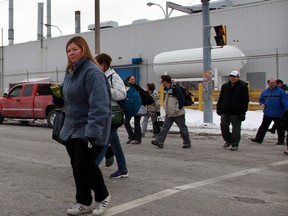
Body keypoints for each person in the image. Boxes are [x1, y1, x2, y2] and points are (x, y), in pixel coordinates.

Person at [59, 36, 111, 216]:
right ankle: (83, 201)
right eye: (68, 50)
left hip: (89, 127)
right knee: (76, 165)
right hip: (71, 127)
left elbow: (100, 104)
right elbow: (69, 95)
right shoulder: (70, 71)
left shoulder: (92, 72)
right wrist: (58, 96)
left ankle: (103, 196)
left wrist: (93, 131)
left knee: (84, 164)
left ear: (83, 49)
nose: (71, 53)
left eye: (74, 49)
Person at [95, 53, 129, 178]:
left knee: (103, 143)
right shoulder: (101, 76)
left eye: (96, 64)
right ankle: (123, 169)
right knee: (115, 144)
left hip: (113, 115)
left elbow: (122, 94)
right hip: (104, 113)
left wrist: (106, 90)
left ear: (103, 65)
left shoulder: (113, 77)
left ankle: (91, 169)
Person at [151, 75, 191, 149]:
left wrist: (176, 109)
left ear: (166, 81)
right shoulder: (166, 89)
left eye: (162, 81)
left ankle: (187, 142)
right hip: (169, 113)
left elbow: (181, 100)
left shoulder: (176, 88)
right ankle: (160, 141)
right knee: (164, 128)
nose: (161, 82)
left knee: (182, 128)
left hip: (177, 113)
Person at [216, 71, 249, 151]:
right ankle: (228, 140)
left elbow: (245, 100)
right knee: (224, 127)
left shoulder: (243, 87)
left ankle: (234, 144)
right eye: (231, 76)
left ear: (238, 77)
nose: (232, 78)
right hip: (225, 111)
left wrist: (243, 112)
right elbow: (221, 98)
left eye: (234, 76)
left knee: (236, 129)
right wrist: (218, 107)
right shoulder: (225, 86)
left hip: (236, 112)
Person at [251, 78, 288, 145]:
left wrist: (286, 110)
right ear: (268, 84)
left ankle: (281, 141)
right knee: (263, 126)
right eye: (271, 83)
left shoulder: (281, 92)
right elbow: (261, 99)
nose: (273, 84)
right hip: (268, 113)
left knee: (280, 128)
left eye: (274, 83)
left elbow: (285, 101)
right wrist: (262, 103)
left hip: (278, 113)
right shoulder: (265, 92)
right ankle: (258, 139)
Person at [124, 75, 143, 144]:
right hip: (129, 107)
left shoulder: (137, 87)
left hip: (137, 107)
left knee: (137, 123)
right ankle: (131, 136)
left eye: (134, 79)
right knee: (126, 122)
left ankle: (138, 139)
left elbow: (142, 95)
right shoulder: (126, 87)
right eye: (132, 79)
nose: (133, 80)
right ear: (128, 80)